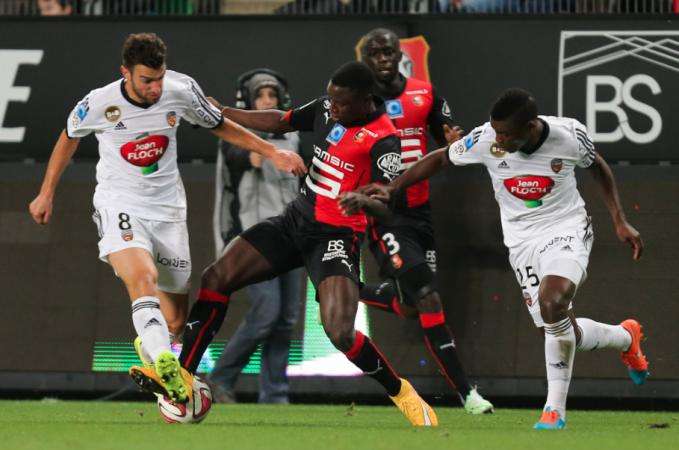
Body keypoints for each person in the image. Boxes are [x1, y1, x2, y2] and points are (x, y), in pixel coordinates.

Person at [135, 61, 439, 426]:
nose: (333, 108)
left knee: (340, 332)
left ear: (366, 100)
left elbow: (388, 207)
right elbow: (281, 119)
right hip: (295, 220)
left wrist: (365, 201)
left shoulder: (384, 140)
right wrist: (224, 112)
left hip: (335, 237)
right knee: (216, 277)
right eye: (331, 101)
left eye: (341, 104)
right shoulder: (330, 107)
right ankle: (183, 375)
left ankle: (401, 391)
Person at [28, 33, 305, 404]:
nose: (156, 87)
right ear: (125, 72)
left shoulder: (181, 89)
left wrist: (270, 151)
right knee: (143, 277)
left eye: (159, 78)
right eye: (147, 80)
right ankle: (165, 365)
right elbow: (68, 138)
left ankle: (154, 343)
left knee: (176, 321)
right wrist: (46, 192)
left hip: (168, 211)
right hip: (119, 203)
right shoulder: (99, 103)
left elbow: (219, 124)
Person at [357, 88, 648, 430]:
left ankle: (553, 411)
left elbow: (597, 166)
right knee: (557, 332)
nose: (498, 139)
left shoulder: (568, 135)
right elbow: (439, 158)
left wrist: (618, 218)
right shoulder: (486, 140)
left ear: (530, 127)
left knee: (553, 302)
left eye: (506, 134)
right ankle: (625, 337)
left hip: (566, 227)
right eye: (496, 131)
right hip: (522, 241)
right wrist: (394, 188)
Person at [356, 28, 493, 414]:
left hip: (421, 212)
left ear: (399, 55)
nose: (382, 58)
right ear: (366, 59)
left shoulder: (425, 94)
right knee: (428, 295)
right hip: (384, 213)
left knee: (412, 306)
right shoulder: (359, 102)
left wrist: (453, 137)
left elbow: (447, 138)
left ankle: (354, 290)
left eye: (388, 52)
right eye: (375, 53)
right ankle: (468, 394)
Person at [210, 69, 303, 404]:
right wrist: (269, 148)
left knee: (286, 320)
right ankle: (219, 380)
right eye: (261, 96)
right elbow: (245, 157)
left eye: (272, 97)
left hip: (292, 235)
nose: (267, 102)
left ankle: (275, 395)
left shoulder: (294, 138)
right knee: (266, 312)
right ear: (250, 103)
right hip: (254, 239)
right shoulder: (236, 140)